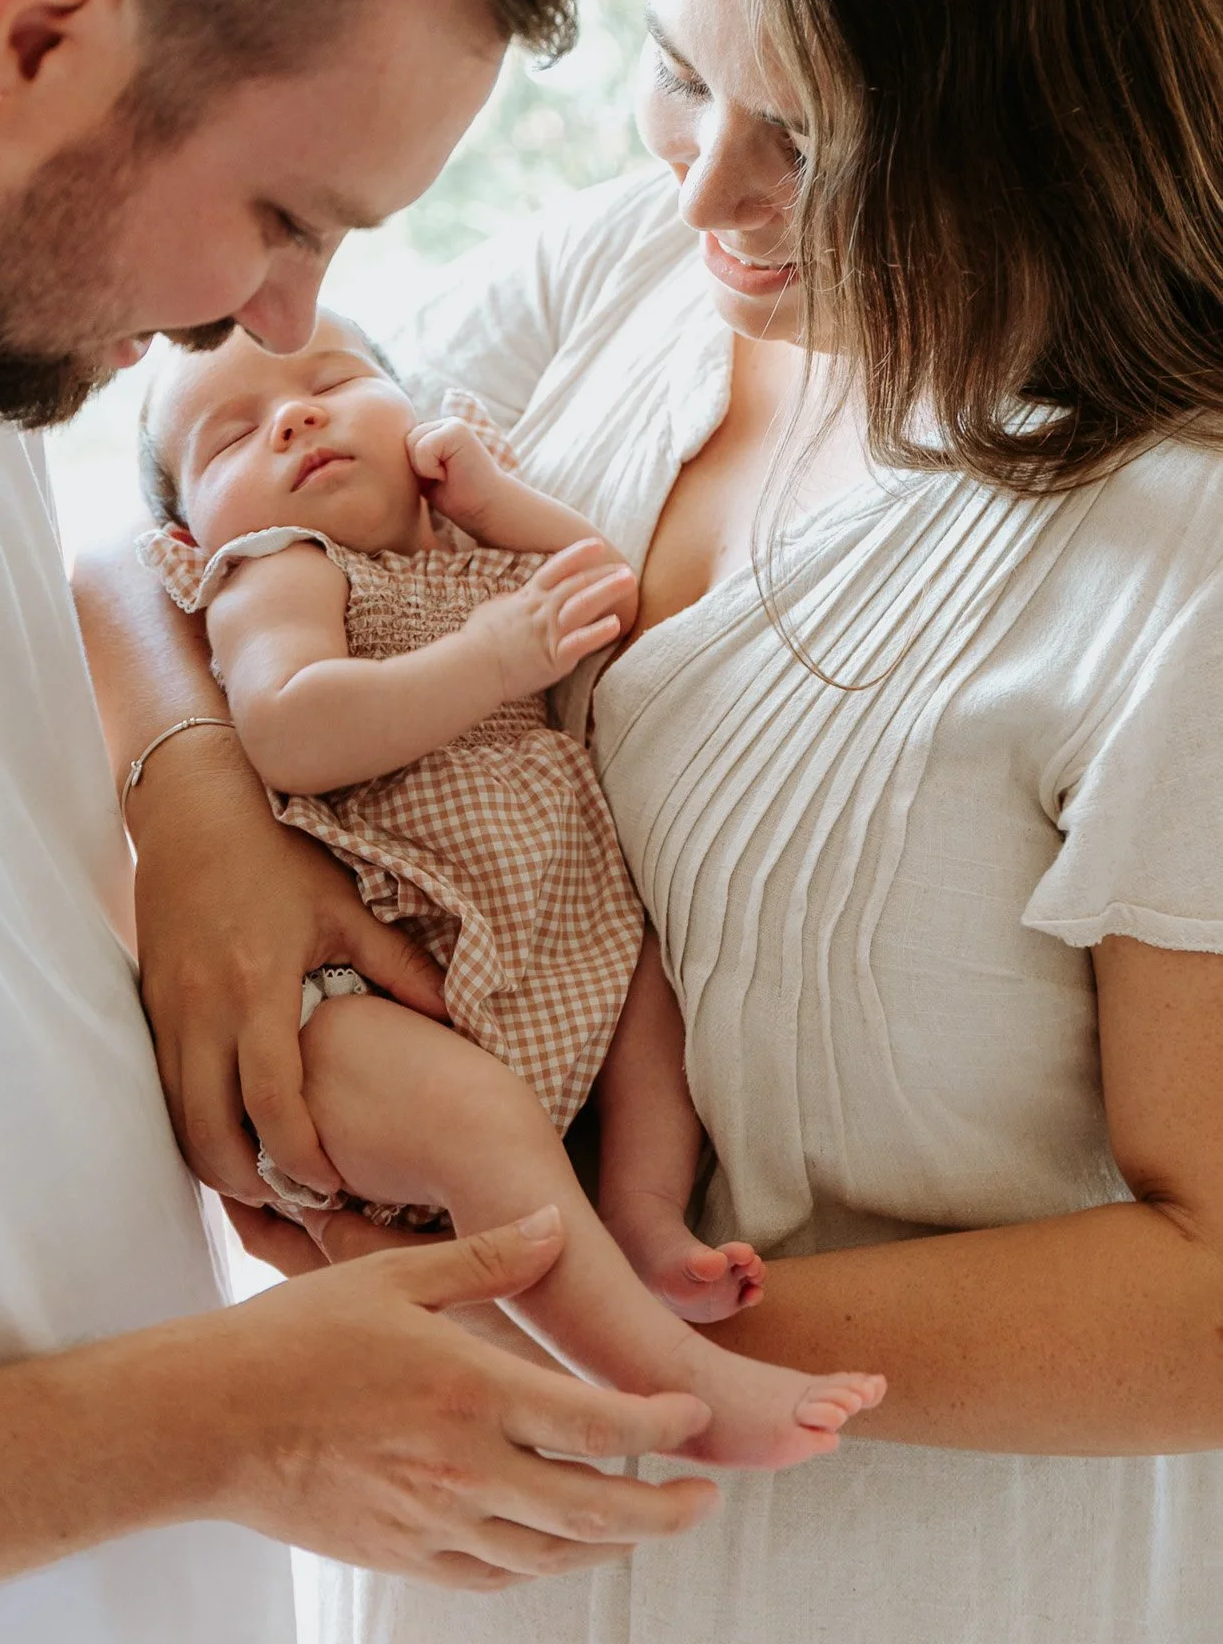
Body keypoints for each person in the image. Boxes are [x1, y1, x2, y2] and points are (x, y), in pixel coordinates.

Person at [93, 0, 1223, 1644]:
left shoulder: (1174, 560)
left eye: (813, 141)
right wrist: (201, 816)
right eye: (680, 76)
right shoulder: (626, 272)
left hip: (900, 1583)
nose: (709, 186)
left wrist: (577, 1308)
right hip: (470, 1556)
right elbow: (169, 519)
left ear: (1039, 131)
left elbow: (1208, 1290)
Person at [0, 0, 725, 1636]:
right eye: (285, 216)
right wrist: (212, 1430)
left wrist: (201, 813)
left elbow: (101, 597)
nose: (286, 325)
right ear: (40, 33)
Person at [133, 313, 886, 1465]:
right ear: (190, 538)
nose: (295, 414)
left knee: (653, 992)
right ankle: (672, 1381)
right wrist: (491, 657)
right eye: (234, 435)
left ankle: (638, 1212)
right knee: (474, 1122)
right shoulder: (272, 571)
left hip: (545, 923)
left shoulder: (459, 542)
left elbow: (608, 593)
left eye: (334, 379)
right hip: (363, 996)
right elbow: (289, 727)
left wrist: (492, 501)